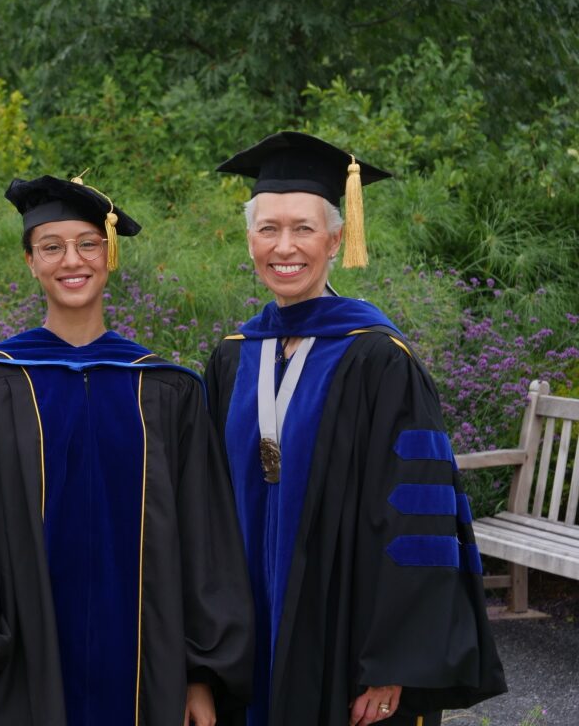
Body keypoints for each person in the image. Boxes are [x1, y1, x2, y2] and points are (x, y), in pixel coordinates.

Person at [0, 175, 254, 726]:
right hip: (13, 669)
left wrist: (201, 673)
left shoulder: (168, 390)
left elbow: (205, 541)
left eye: (88, 244)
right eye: (52, 247)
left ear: (109, 255)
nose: (73, 260)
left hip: (148, 670)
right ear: (30, 262)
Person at [205, 131, 506, 726]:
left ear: (337, 240)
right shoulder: (233, 358)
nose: (283, 246)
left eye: (303, 228)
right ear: (249, 241)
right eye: (268, 228)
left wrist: (391, 661)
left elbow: (416, 521)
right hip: (243, 641)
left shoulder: (379, 359)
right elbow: (203, 510)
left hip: (344, 646)